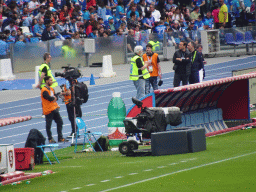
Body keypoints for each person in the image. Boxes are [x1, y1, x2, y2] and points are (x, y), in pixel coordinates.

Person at [41, 76, 67, 143]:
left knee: (60, 122)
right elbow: (49, 98)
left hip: (54, 108)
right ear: (47, 81)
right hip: (48, 110)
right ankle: (50, 138)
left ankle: (60, 137)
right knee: (48, 125)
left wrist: (55, 97)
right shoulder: (44, 90)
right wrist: (53, 98)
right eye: (50, 80)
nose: (52, 81)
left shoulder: (51, 89)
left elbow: (56, 97)